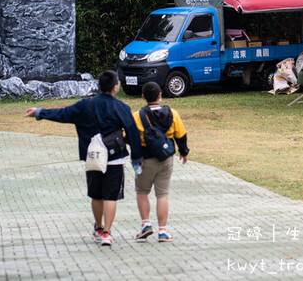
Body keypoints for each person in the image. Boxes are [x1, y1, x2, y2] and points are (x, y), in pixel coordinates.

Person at [24, 70, 143, 247]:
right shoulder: (122, 107)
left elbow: (63, 114)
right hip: (115, 157)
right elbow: (133, 131)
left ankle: (99, 228)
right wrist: (137, 156)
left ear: (99, 85)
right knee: (111, 196)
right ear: (116, 87)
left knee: (96, 195)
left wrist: (40, 112)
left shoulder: (84, 105)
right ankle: (107, 234)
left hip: (93, 157)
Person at [131, 82, 190, 242]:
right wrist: (183, 152)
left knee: (142, 192)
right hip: (166, 159)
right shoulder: (172, 113)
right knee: (162, 194)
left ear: (143, 97)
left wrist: (135, 157)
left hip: (145, 160)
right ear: (160, 95)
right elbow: (181, 135)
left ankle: (145, 224)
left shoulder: (137, 116)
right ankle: (163, 231)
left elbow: (131, 138)